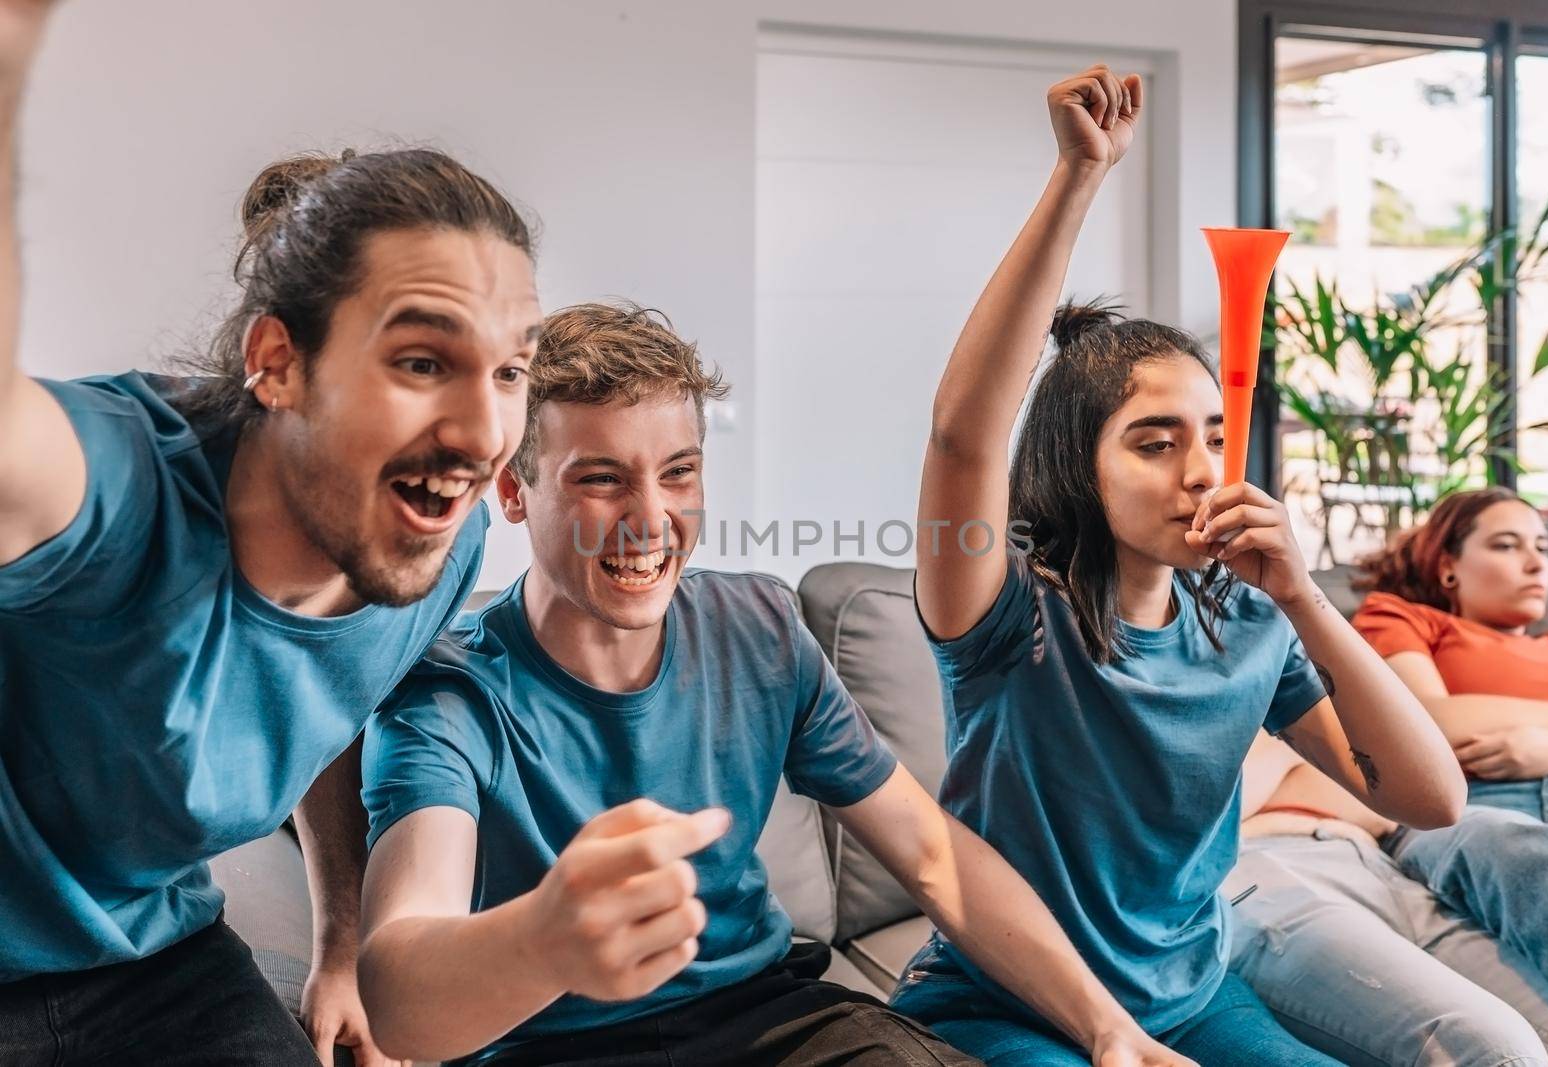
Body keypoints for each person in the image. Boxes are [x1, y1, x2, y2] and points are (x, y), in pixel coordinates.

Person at [357, 302, 1196, 1067]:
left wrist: (1104, 1023)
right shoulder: (448, 691)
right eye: (602, 478)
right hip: (550, 1049)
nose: (651, 518)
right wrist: (545, 941)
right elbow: (396, 986)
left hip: (767, 1019)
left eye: (678, 473)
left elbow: (934, 856)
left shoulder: (756, 627)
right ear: (512, 489)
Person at [886, 64, 1466, 1066]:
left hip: (1193, 996)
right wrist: (1078, 176)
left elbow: (1430, 798)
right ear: (1081, 464)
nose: (1200, 470)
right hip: (1003, 1004)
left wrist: (1302, 599)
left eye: (1211, 434)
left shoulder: (1247, 625)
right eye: (1153, 443)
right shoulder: (1003, 616)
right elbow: (960, 440)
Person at [0, 6, 543, 1064]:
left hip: (156, 964)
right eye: (424, 360)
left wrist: (340, 935)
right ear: (278, 362)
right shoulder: (117, 488)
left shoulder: (431, 545)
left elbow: (333, 697)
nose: (485, 433)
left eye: (512, 368)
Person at [1350, 486, 1548, 1028]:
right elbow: (1427, 723)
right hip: (1472, 808)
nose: (1538, 562)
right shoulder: (1402, 619)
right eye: (1508, 546)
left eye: (1542, 548)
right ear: (1448, 568)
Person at [1227, 731, 1548, 1066]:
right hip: (1263, 865)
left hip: (1381, 853)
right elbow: (1192, 819)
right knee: (1495, 1053)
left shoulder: (1273, 676)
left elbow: (1393, 768)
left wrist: (1284, 752)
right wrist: (1290, 749)